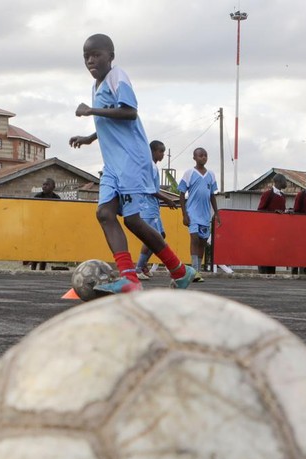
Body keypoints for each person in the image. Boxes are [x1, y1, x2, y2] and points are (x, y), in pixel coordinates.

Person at [69, 33, 196, 293]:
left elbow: (129, 112)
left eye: (96, 55)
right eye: (86, 56)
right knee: (104, 214)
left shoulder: (118, 77)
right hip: (113, 164)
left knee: (134, 221)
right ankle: (130, 277)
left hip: (132, 161)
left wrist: (91, 111)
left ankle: (180, 270)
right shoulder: (97, 86)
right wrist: (91, 137)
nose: (91, 60)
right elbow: (110, 121)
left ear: (110, 57)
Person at [135, 140, 179, 280]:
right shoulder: (149, 166)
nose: (163, 154)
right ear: (153, 151)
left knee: (161, 235)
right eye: (161, 151)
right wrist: (167, 199)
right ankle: (138, 268)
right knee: (151, 237)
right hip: (148, 206)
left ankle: (143, 265)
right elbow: (151, 190)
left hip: (153, 207)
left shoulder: (153, 167)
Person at [178, 147, 220, 282]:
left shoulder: (211, 175)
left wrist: (217, 213)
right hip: (192, 213)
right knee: (194, 239)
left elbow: (212, 195)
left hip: (205, 214)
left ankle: (198, 272)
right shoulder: (189, 173)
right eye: (200, 155)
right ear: (194, 157)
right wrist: (184, 213)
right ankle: (194, 270)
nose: (203, 157)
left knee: (202, 242)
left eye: (205, 155)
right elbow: (181, 194)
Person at [27, 178, 63, 270]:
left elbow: (58, 213)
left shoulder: (57, 198)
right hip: (38, 226)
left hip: (49, 227)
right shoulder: (37, 197)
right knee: (36, 249)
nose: (44, 186)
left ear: (53, 187)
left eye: (47, 184)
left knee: (45, 249)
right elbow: (32, 211)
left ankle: (42, 269)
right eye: (43, 184)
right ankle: (33, 268)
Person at [255, 174, 288, 274]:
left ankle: (271, 274)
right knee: (264, 253)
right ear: (278, 182)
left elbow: (282, 211)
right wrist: (273, 213)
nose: (286, 183)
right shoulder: (268, 194)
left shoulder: (282, 196)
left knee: (272, 254)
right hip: (266, 229)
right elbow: (260, 210)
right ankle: (262, 273)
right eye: (284, 181)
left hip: (276, 230)